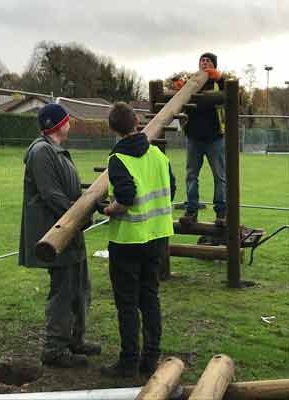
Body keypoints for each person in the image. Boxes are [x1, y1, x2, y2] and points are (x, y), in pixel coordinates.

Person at [19, 103, 101, 368]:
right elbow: (51, 194)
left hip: (70, 230)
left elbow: (69, 189)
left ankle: (75, 340)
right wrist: (76, 217)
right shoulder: (42, 152)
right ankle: (54, 348)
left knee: (80, 286)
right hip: (57, 234)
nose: (70, 123)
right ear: (56, 124)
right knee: (64, 291)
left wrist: (91, 202)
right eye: (66, 120)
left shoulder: (57, 151)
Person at [99, 102, 176, 378]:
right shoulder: (158, 155)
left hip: (128, 241)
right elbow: (171, 188)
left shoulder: (118, 159)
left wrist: (109, 209)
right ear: (137, 123)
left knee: (128, 303)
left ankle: (128, 362)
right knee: (150, 298)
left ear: (112, 129)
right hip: (156, 237)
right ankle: (150, 358)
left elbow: (126, 197)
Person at [180, 52, 226, 226]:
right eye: (202, 60)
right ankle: (191, 211)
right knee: (191, 176)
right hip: (194, 138)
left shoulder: (219, 83)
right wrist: (179, 86)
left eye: (209, 61)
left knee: (219, 177)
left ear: (214, 65)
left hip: (215, 138)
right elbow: (180, 98)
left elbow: (231, 94)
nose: (205, 62)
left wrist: (220, 77)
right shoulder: (192, 82)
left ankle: (221, 213)